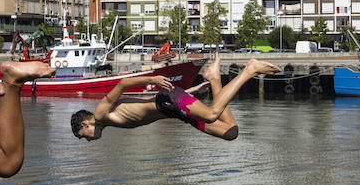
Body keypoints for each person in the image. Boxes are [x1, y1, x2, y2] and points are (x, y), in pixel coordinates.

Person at [70, 54, 280, 142]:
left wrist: (153, 77)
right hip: (172, 108)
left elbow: (123, 83)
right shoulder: (109, 120)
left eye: (82, 135)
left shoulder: (100, 113)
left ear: (85, 123)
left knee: (212, 113)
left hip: (169, 101)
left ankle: (250, 69)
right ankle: (214, 78)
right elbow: (146, 103)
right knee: (230, 132)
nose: (87, 140)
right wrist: (193, 90)